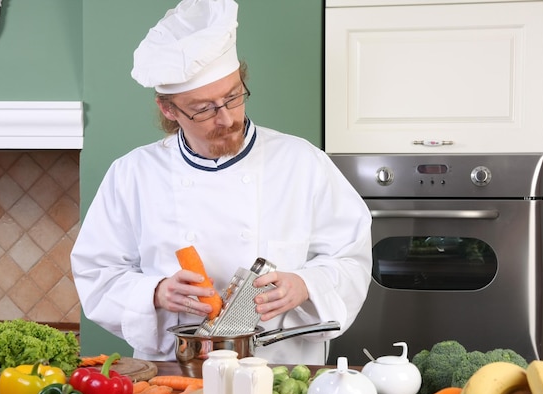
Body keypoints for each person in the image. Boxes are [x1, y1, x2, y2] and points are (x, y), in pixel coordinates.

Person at [70, 0, 372, 365]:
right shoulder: (132, 174)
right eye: (204, 108)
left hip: (280, 365)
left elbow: (351, 258)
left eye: (233, 96)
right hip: (178, 368)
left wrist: (307, 284)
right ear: (169, 109)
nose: (227, 118)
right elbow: (96, 272)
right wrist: (155, 292)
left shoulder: (302, 162)